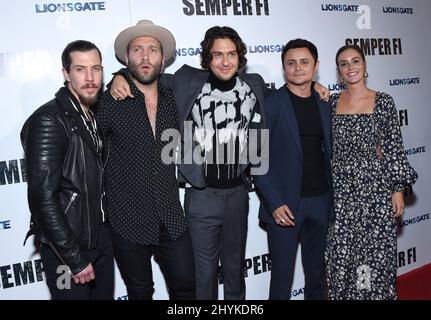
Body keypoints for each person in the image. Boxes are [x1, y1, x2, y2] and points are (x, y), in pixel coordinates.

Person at [110, 26, 329, 300]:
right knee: (204, 276)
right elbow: (146, 74)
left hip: (238, 194)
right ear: (207, 58)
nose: (225, 61)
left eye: (231, 55)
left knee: (236, 273)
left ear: (240, 58)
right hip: (200, 196)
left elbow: (294, 92)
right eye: (217, 55)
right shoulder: (186, 81)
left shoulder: (255, 85)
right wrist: (118, 76)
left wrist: (316, 86)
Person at [96, 20, 195, 300]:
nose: (145, 55)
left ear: (163, 59)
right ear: (127, 58)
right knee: (139, 293)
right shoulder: (108, 102)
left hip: (171, 216)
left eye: (152, 49)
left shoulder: (176, 97)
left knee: (187, 288)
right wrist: (117, 76)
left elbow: (220, 75)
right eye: (137, 49)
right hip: (126, 218)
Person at [21, 40, 114, 300]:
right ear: (66, 74)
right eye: (80, 69)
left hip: (100, 238)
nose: (90, 77)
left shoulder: (91, 116)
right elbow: (42, 199)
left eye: (96, 69)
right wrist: (74, 258)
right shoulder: (49, 120)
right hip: (67, 249)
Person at [325, 44, 418, 300]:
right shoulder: (330, 103)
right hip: (341, 192)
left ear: (365, 66)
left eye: (356, 61)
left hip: (375, 189)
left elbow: (393, 147)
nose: (351, 67)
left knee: (375, 252)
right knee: (342, 252)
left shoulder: (384, 101)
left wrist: (397, 190)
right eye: (344, 64)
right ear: (338, 72)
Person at [254, 39, 332, 300]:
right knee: (282, 279)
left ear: (316, 65)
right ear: (284, 67)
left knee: (317, 273)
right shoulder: (270, 103)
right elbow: (256, 158)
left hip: (321, 201)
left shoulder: (325, 103)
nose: (298, 68)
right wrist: (274, 203)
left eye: (304, 62)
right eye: (291, 63)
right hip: (284, 206)